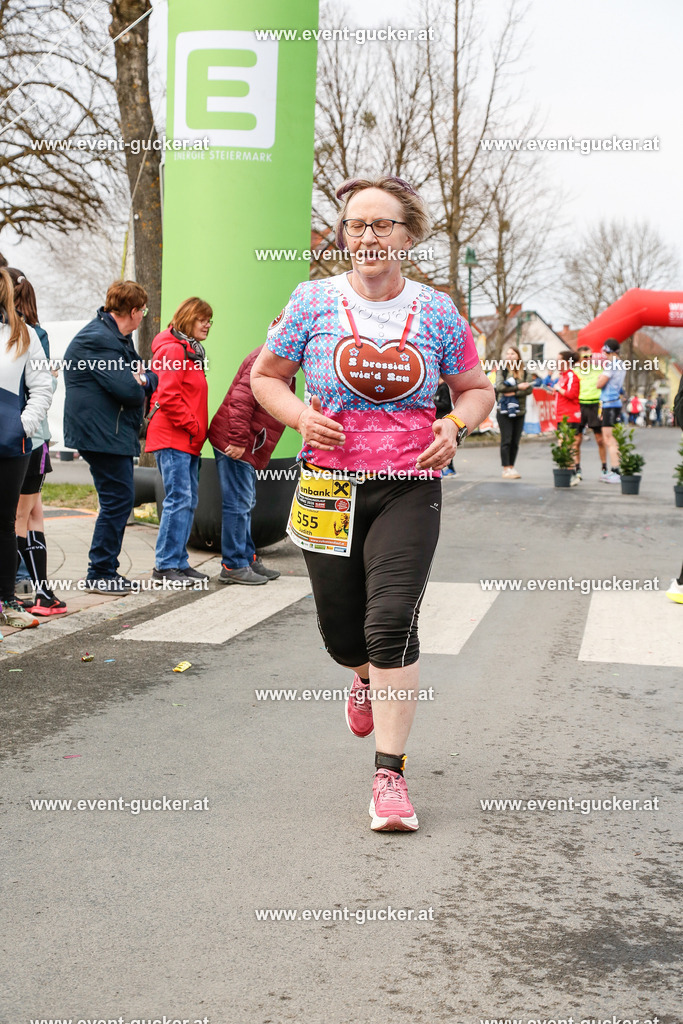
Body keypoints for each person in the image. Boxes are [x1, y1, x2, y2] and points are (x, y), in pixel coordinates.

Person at [252, 175, 494, 831]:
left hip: (409, 486)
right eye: (354, 225)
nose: (365, 236)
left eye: (380, 225)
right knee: (343, 635)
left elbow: (474, 389)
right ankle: (360, 676)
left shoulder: (437, 311)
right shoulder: (310, 303)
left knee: (390, 623)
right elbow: (264, 378)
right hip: (328, 486)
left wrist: (453, 426)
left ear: (407, 235)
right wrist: (301, 415)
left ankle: (390, 777)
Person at [63, 280, 158, 591]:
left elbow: (145, 375)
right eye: (142, 310)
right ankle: (100, 572)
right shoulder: (99, 340)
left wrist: (142, 378)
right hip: (101, 434)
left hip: (109, 432)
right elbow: (129, 389)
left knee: (118, 499)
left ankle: (104, 570)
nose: (144, 316)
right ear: (132, 311)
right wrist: (141, 380)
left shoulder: (116, 337)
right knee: (119, 499)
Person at [209, 345, 293, 584]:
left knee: (244, 502)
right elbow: (241, 400)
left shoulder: (278, 361)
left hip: (246, 444)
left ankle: (246, 558)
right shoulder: (267, 359)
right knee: (238, 503)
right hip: (236, 444)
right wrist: (237, 442)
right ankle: (234, 565)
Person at [7, 269, 65, 615]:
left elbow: (40, 388)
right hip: (33, 435)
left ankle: (37, 593)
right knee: (30, 516)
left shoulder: (25, 334)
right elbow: (46, 386)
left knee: (21, 516)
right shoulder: (34, 332)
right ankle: (43, 593)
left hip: (26, 438)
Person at [0, 268, 53, 630]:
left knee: (4, 522)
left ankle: (5, 601)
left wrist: (23, 425)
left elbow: (42, 386)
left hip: (9, 444)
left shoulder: (23, 333)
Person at [145, 298, 211, 584]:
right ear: (187, 319)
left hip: (186, 439)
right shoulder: (173, 349)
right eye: (202, 319)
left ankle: (178, 562)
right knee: (178, 500)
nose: (208, 324)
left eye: (210, 320)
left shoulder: (190, 352)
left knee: (187, 500)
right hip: (173, 437)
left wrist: (195, 432)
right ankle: (165, 566)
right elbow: (168, 396)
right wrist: (195, 426)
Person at [495, 345, 534, 479]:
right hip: (504, 410)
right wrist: (518, 387)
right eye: (508, 354)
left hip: (520, 410)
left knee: (515, 441)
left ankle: (512, 466)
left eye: (513, 354)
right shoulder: (503, 370)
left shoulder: (524, 371)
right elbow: (500, 387)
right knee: (506, 439)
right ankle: (505, 468)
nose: (510, 356)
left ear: (518, 356)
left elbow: (529, 388)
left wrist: (513, 391)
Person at [574, 345, 608, 481]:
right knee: (577, 440)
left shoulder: (598, 370)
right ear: (579, 358)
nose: (588, 359)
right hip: (580, 405)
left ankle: (604, 468)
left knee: (600, 439)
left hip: (595, 405)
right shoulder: (574, 371)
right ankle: (577, 468)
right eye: (585, 357)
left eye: (590, 357)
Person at [596, 338, 625, 483]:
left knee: (609, 439)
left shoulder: (611, 364)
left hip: (610, 403)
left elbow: (600, 383)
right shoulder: (621, 364)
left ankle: (615, 470)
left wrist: (599, 378)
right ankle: (615, 470)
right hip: (613, 403)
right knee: (611, 438)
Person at [554, 350, 581, 485]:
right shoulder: (562, 376)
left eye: (559, 360)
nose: (557, 363)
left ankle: (572, 473)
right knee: (562, 445)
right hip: (561, 416)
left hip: (569, 416)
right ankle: (567, 472)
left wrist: (559, 389)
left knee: (567, 445)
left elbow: (572, 394)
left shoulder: (571, 376)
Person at [433, 377, 457, 476]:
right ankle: (441, 468)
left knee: (444, 445)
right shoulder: (437, 388)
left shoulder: (444, 387)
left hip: (444, 420)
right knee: (438, 446)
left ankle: (451, 469)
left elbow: (446, 404)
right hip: (437, 420)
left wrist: (433, 403)